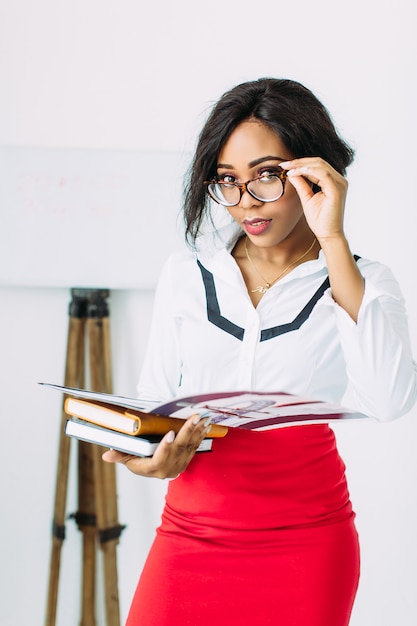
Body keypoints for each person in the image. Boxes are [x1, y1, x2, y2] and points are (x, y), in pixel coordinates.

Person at [103, 78, 417, 625]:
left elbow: (389, 400)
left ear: (313, 171)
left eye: (267, 176)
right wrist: (151, 460)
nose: (245, 202)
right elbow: (154, 400)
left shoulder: (362, 279)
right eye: (228, 181)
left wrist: (335, 242)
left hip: (307, 543)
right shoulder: (187, 273)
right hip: (189, 534)